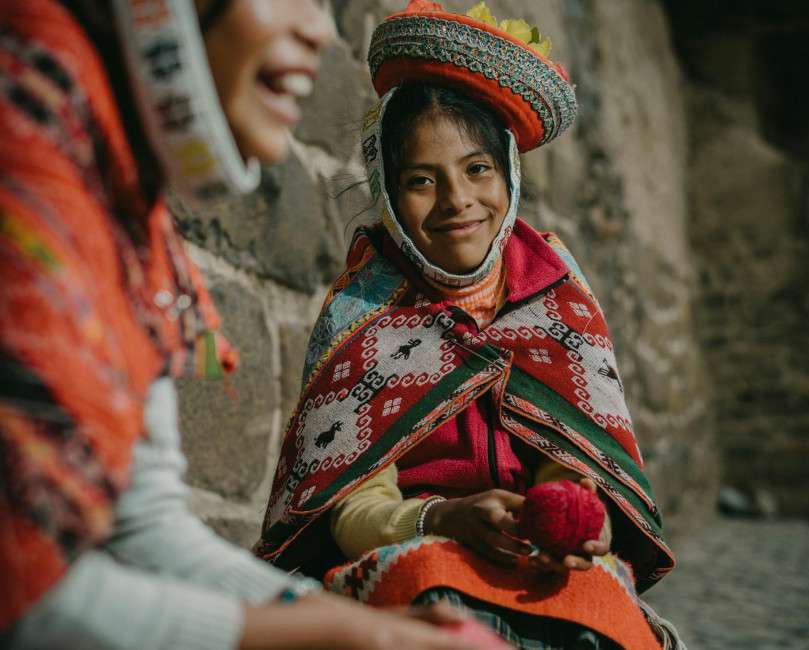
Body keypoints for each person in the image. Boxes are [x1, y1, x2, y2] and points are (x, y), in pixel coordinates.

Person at [0, 1, 493, 648]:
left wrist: (360, 625)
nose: (318, 29)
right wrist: (350, 631)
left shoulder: (114, 193)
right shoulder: (24, 166)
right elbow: (22, 588)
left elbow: (145, 527)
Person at [257, 2, 684, 649]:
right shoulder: (364, 315)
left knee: (601, 599)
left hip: (529, 544)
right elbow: (350, 512)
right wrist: (442, 517)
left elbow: (568, 462)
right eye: (422, 180)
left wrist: (569, 515)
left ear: (508, 171)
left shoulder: (555, 295)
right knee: (435, 587)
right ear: (389, 193)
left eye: (477, 170)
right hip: (417, 543)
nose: (458, 202)